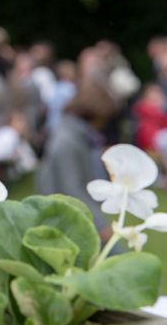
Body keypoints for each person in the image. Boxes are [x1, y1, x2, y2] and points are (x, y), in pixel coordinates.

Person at [38, 77, 118, 238]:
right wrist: (101, 225)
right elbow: (72, 188)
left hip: (76, 217)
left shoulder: (76, 134)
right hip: (67, 222)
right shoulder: (67, 141)